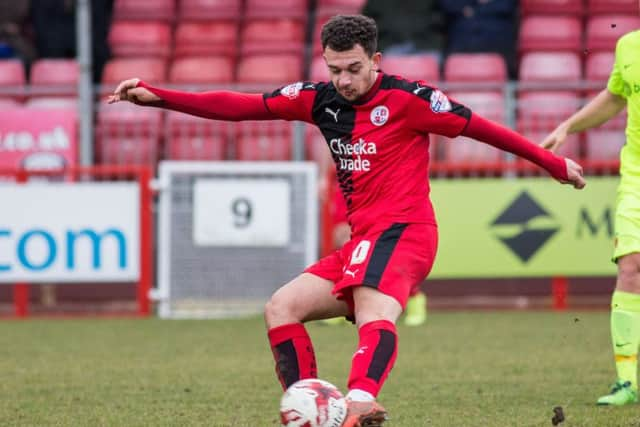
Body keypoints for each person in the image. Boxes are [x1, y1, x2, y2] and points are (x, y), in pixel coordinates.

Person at [108, 14, 585, 426]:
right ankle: (311, 407)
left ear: (375, 61)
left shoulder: (412, 99)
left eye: (354, 69)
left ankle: (360, 401)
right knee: (281, 308)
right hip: (362, 240)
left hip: (407, 233)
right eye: (334, 70)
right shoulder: (319, 101)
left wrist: (553, 163)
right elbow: (242, 106)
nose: (344, 80)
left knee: (373, 310)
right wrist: (160, 97)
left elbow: (483, 129)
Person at [541, 19, 640, 406]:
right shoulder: (629, 46)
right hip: (637, 177)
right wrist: (570, 125)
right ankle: (626, 381)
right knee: (631, 264)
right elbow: (617, 97)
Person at [325, 179, 428, 327]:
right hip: (348, 176)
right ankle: (342, 302)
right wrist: (324, 176)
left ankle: (414, 297)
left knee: (380, 245)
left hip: (377, 178)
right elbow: (327, 154)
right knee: (342, 236)